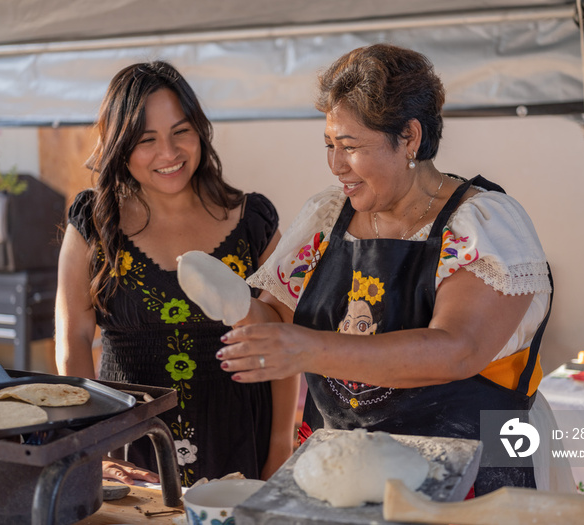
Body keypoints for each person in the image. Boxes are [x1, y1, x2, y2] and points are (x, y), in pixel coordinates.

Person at [211, 44, 561, 496]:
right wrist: (233, 302)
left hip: (479, 458)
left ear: (410, 137)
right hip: (345, 464)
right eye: (329, 146)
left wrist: (308, 349)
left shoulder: (482, 225)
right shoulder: (325, 218)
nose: (336, 165)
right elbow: (278, 322)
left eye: (351, 147)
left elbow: (458, 350)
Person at [54, 61, 299, 487]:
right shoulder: (94, 223)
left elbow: (284, 337)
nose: (169, 153)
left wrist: (280, 445)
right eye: (146, 140)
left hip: (242, 437)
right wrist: (90, 444)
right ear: (120, 145)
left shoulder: (253, 221)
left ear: (200, 131)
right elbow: (73, 337)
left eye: (180, 131)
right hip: (130, 440)